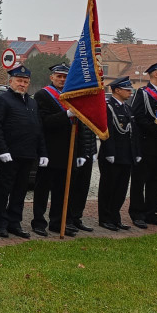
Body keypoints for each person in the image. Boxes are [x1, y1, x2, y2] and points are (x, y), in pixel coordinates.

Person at [0, 64, 48, 239]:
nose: (22, 84)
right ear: (11, 81)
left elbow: (38, 129)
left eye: (25, 81)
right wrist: (2, 150)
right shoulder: (2, 99)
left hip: (27, 154)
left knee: (20, 191)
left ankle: (14, 222)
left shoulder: (32, 102)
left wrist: (43, 152)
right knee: (3, 190)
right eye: (19, 81)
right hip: (9, 155)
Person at [31, 64, 89, 237]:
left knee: (62, 190)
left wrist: (80, 152)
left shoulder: (72, 96)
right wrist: (66, 115)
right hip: (49, 150)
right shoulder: (43, 95)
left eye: (65, 77)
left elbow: (79, 127)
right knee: (42, 189)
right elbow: (44, 122)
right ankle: (38, 222)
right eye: (59, 76)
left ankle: (58, 222)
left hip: (69, 151)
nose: (62, 80)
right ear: (51, 77)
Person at [97, 77, 140, 231]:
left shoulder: (127, 108)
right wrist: (109, 151)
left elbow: (134, 133)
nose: (130, 92)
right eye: (127, 89)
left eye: (130, 89)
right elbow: (106, 131)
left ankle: (115, 217)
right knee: (108, 188)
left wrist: (136, 152)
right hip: (112, 155)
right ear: (117, 90)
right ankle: (105, 218)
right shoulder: (108, 107)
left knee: (121, 189)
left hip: (126, 155)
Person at [132, 61, 157, 229]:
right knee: (140, 180)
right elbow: (138, 117)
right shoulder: (143, 93)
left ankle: (151, 212)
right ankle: (138, 213)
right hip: (146, 144)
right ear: (155, 74)